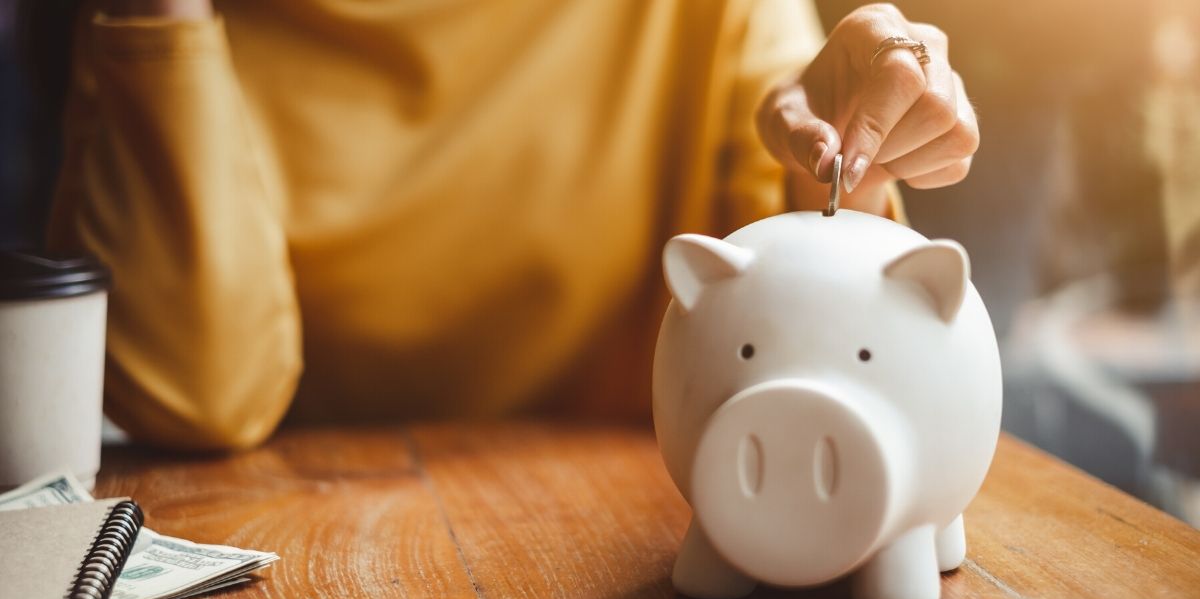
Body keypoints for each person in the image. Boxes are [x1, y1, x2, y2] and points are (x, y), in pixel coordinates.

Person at [43, 0, 978, 450]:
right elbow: (194, 393)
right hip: (295, 523)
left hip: (634, 525)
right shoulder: (180, 23)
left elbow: (805, 309)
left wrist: (854, 155)